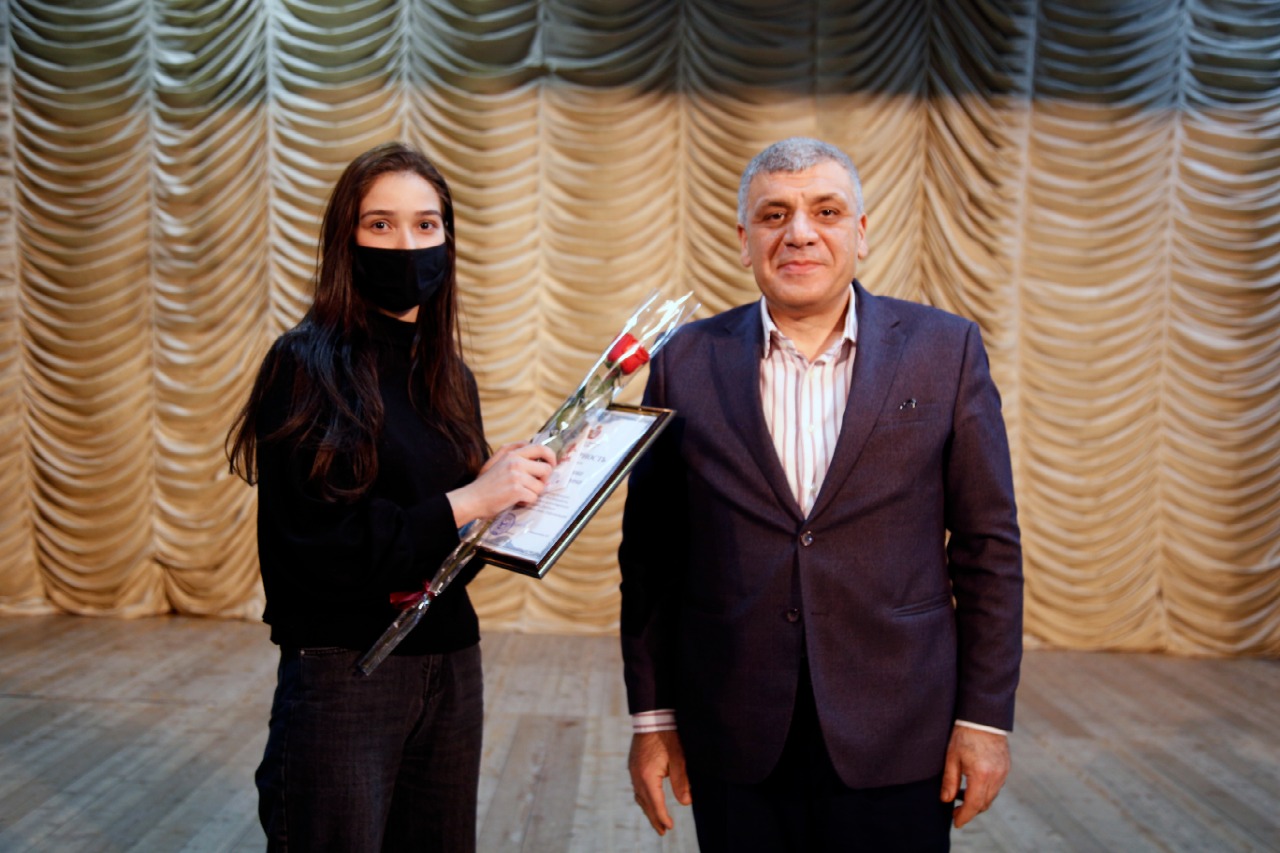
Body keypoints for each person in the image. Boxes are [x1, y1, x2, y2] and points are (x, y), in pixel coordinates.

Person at [618, 137, 1023, 852]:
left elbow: (988, 549)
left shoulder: (945, 349)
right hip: (733, 730)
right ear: (744, 240)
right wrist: (653, 720)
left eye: (826, 211)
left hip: (901, 731)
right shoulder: (684, 360)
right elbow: (651, 558)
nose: (799, 232)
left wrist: (984, 719)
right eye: (774, 214)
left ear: (860, 233)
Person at [226, 141, 556, 852]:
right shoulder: (304, 365)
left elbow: (439, 539)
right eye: (381, 224)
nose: (407, 245)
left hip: (451, 660)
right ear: (345, 239)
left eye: (425, 225)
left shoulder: (449, 376)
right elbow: (321, 550)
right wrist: (469, 500)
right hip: (345, 668)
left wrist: (505, 496)